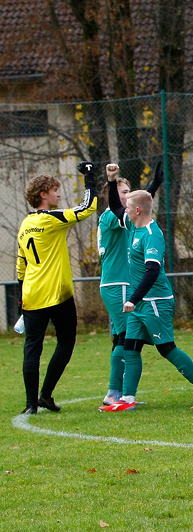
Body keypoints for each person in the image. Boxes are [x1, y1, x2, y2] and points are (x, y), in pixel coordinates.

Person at [101, 165, 193, 412]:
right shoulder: (133, 225)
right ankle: (127, 399)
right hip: (140, 302)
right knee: (130, 347)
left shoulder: (152, 234)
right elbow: (114, 206)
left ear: (138, 210)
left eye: (129, 207)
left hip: (155, 301)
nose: (124, 210)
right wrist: (111, 180)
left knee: (166, 348)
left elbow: (152, 272)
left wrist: (133, 298)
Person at [17, 161, 98, 415]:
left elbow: (21, 265)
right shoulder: (52, 219)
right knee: (66, 342)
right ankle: (46, 394)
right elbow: (88, 208)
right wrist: (89, 175)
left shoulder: (25, 225)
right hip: (58, 294)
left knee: (32, 347)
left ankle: (32, 405)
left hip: (32, 295)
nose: (59, 194)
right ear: (43, 194)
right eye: (55, 190)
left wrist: (22, 296)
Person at [97, 163, 162, 406]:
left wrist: (154, 185)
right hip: (118, 283)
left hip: (118, 283)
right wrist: (112, 180)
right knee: (124, 338)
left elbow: (140, 205)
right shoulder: (111, 216)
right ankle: (116, 393)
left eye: (128, 192)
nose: (127, 196)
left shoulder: (122, 216)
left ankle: (118, 392)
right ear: (113, 194)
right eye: (123, 192)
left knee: (123, 337)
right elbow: (126, 208)